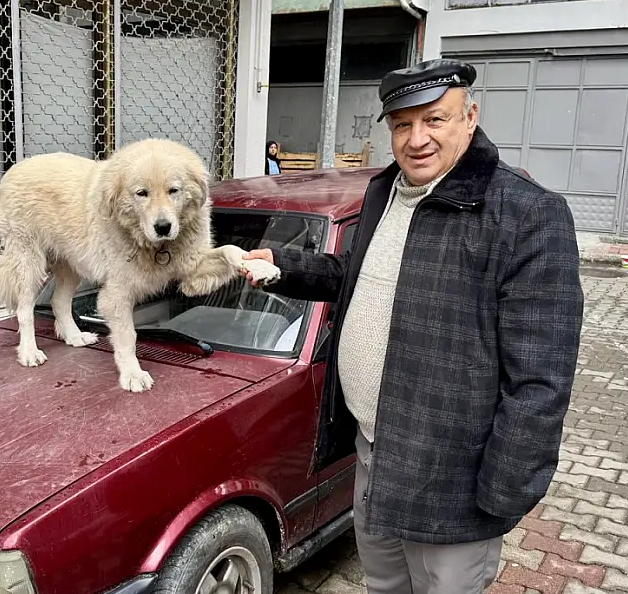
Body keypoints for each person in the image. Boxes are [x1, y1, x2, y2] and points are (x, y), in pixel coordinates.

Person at [242, 58, 584, 594]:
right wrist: (283, 266)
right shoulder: (385, 193)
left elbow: (541, 380)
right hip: (374, 452)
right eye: (402, 124)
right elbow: (352, 277)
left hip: (454, 476)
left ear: (470, 117)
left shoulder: (524, 214)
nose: (417, 139)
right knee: (384, 584)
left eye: (435, 120)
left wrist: (502, 490)